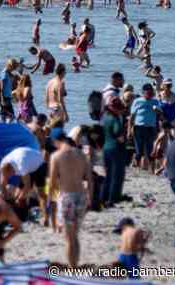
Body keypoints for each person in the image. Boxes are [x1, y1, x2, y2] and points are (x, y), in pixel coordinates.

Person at [48, 132, 93, 268]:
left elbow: (52, 182)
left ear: (56, 141)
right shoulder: (81, 154)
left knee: (68, 238)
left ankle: (73, 269)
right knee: (75, 235)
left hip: (67, 196)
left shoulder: (56, 156)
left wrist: (51, 199)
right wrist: (90, 197)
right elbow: (90, 180)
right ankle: (75, 265)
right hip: (81, 196)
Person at [101, 97, 127, 207]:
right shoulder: (115, 119)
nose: (122, 111)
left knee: (108, 175)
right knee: (116, 175)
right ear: (115, 109)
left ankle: (103, 197)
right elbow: (118, 135)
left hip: (105, 148)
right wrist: (124, 140)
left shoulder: (104, 118)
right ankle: (111, 200)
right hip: (115, 149)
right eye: (120, 109)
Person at [129, 84, 162, 172]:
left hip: (150, 128)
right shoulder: (137, 101)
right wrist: (129, 130)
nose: (149, 95)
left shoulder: (155, 101)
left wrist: (157, 110)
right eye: (147, 93)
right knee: (139, 151)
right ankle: (137, 169)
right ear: (143, 93)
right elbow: (132, 116)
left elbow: (161, 114)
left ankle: (152, 170)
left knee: (150, 150)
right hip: (138, 128)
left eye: (151, 93)